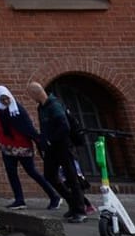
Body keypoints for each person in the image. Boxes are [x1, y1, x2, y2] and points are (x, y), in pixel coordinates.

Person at [28, 81, 92, 222]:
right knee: (50, 175)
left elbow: (64, 126)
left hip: (63, 146)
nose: (31, 98)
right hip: (51, 148)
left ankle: (80, 211)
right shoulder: (42, 107)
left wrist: (51, 139)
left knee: (71, 177)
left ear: (36, 93)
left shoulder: (54, 105)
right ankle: (72, 203)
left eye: (31, 94)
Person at [0, 84, 58, 210]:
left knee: (32, 171)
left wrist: (39, 140)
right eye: (2, 99)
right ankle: (19, 199)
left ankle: (54, 196)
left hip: (22, 146)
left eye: (7, 98)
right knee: (12, 173)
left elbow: (27, 127)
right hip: (7, 147)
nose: (5, 101)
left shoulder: (17, 110)